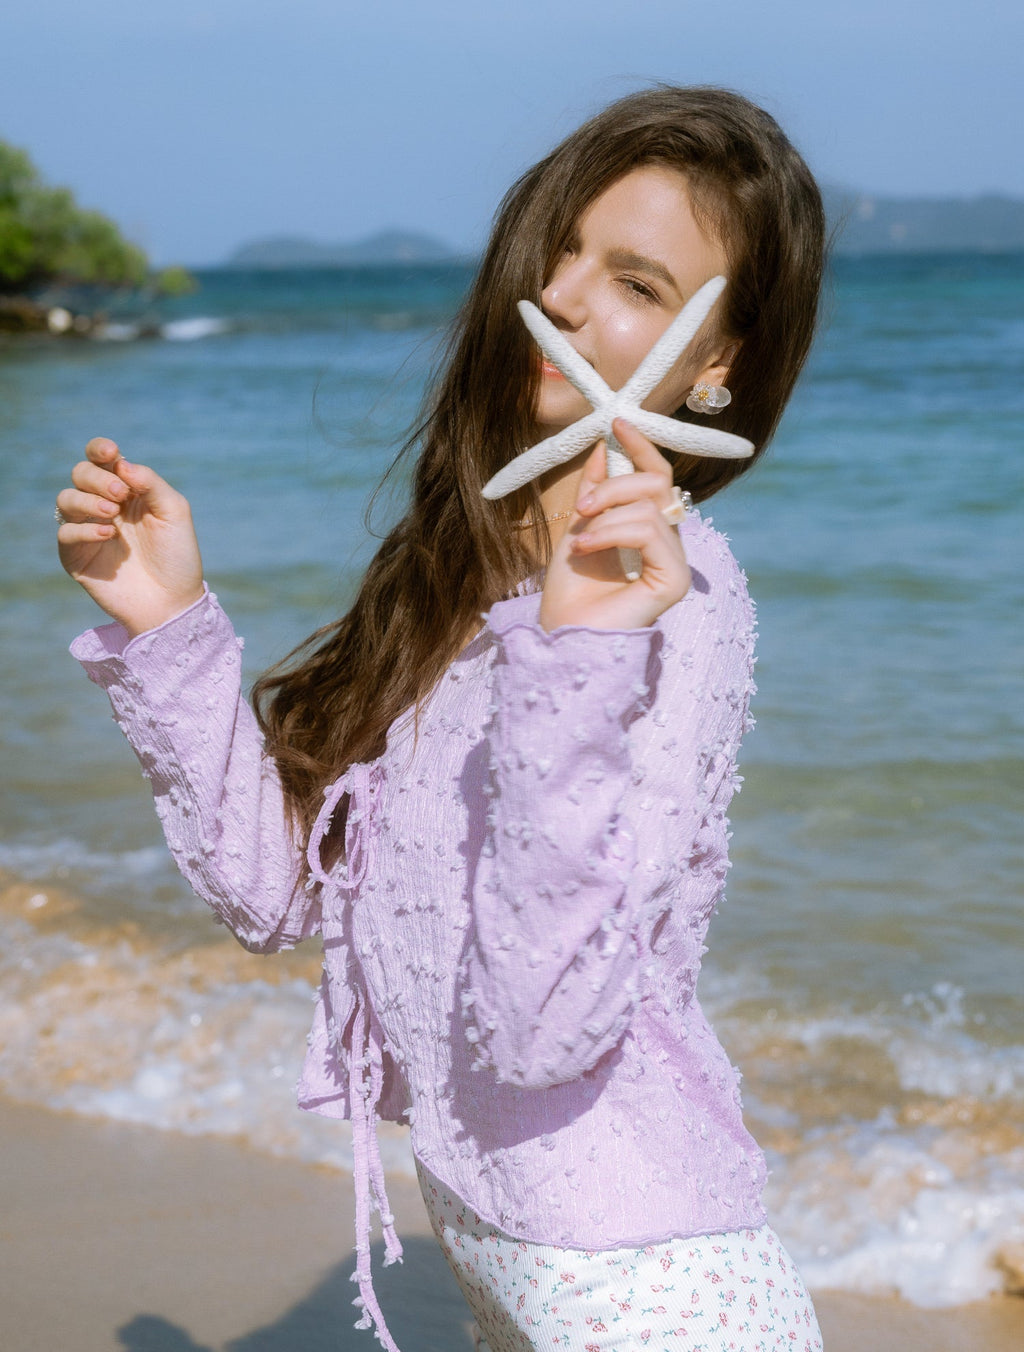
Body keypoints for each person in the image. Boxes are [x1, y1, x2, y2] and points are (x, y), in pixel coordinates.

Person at [57, 87, 826, 1352]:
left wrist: (579, 657)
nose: (564, 298)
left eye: (636, 282)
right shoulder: (465, 575)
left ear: (715, 363)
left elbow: (540, 1029)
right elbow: (277, 891)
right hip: (517, 1278)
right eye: (560, 248)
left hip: (651, 1297)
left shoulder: (672, 605)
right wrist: (169, 627)